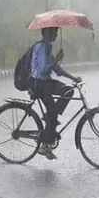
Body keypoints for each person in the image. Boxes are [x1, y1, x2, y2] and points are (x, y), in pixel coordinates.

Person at [31, 26, 82, 160]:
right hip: (39, 85)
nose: (56, 34)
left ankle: (50, 118)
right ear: (47, 32)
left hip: (46, 83)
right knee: (53, 113)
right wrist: (56, 59)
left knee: (68, 90)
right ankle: (44, 143)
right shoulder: (42, 47)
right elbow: (42, 70)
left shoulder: (47, 47)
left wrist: (73, 78)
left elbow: (57, 70)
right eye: (54, 32)